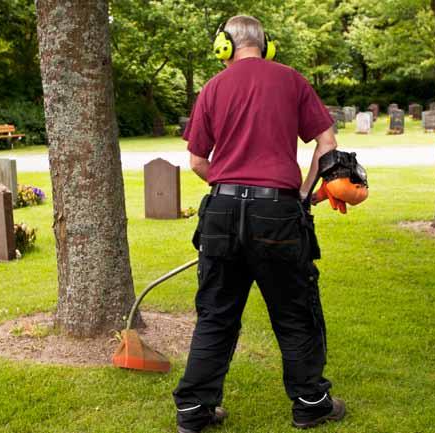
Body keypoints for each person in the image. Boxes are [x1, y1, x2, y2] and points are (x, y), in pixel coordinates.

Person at [172, 15, 346, 433]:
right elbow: (327, 143)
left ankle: (194, 411)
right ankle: (310, 403)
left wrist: (228, 187)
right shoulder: (291, 80)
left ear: (224, 47)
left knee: (215, 314)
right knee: (294, 313)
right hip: (278, 213)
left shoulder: (213, 87)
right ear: (266, 45)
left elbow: (197, 162)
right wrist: (303, 194)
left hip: (222, 213)